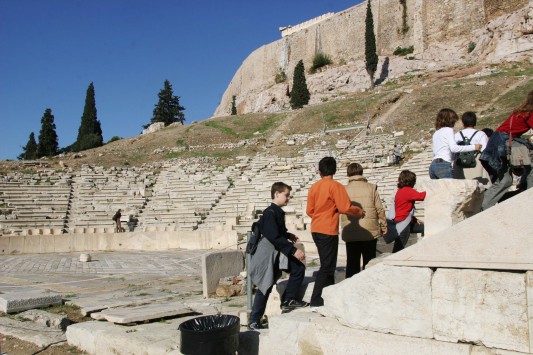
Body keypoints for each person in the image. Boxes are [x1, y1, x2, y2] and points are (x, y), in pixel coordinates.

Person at [306, 157, 365, 307]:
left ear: (319, 171)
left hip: (316, 228)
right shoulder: (335, 186)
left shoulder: (314, 187)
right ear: (334, 170)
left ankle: (328, 295)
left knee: (328, 264)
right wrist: (358, 212)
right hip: (328, 229)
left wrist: (321, 215)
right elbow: (345, 207)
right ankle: (316, 300)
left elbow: (309, 211)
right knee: (327, 266)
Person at [248, 182, 307, 330]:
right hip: (268, 254)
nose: (288, 198)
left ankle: (288, 300)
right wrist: (293, 250)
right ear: (276, 194)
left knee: (298, 268)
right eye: (286, 195)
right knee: (265, 286)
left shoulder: (275, 212)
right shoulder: (270, 213)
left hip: (277, 252)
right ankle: (254, 320)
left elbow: (276, 232)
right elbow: (273, 236)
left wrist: (288, 234)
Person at [480, 90, 533, 210]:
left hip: (496, 142)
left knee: (505, 181)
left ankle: (483, 207)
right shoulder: (530, 112)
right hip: (503, 142)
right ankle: (530, 194)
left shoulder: (522, 111)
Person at [340, 163, 386, 278]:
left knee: (352, 263)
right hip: (369, 231)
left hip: (350, 232)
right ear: (361, 173)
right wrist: (384, 226)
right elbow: (379, 209)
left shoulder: (343, 190)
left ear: (348, 174)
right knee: (369, 262)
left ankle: (350, 289)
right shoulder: (371, 188)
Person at [429, 108, 481, 179]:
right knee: (450, 189)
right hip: (443, 165)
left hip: (433, 166)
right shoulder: (448, 130)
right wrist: (474, 147)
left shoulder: (436, 133)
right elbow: (454, 148)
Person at [392, 170, 426, 253]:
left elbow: (403, 209)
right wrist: (431, 189)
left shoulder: (400, 191)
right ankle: (394, 261)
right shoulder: (407, 190)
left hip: (403, 221)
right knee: (399, 246)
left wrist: (414, 219)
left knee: (425, 227)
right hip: (404, 222)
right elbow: (421, 196)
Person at [452, 112, 490, 184]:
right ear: (475, 122)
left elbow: (453, 151)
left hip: (460, 164)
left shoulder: (457, 135)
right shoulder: (481, 134)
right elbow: (485, 150)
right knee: (479, 186)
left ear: (463, 123)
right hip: (476, 164)